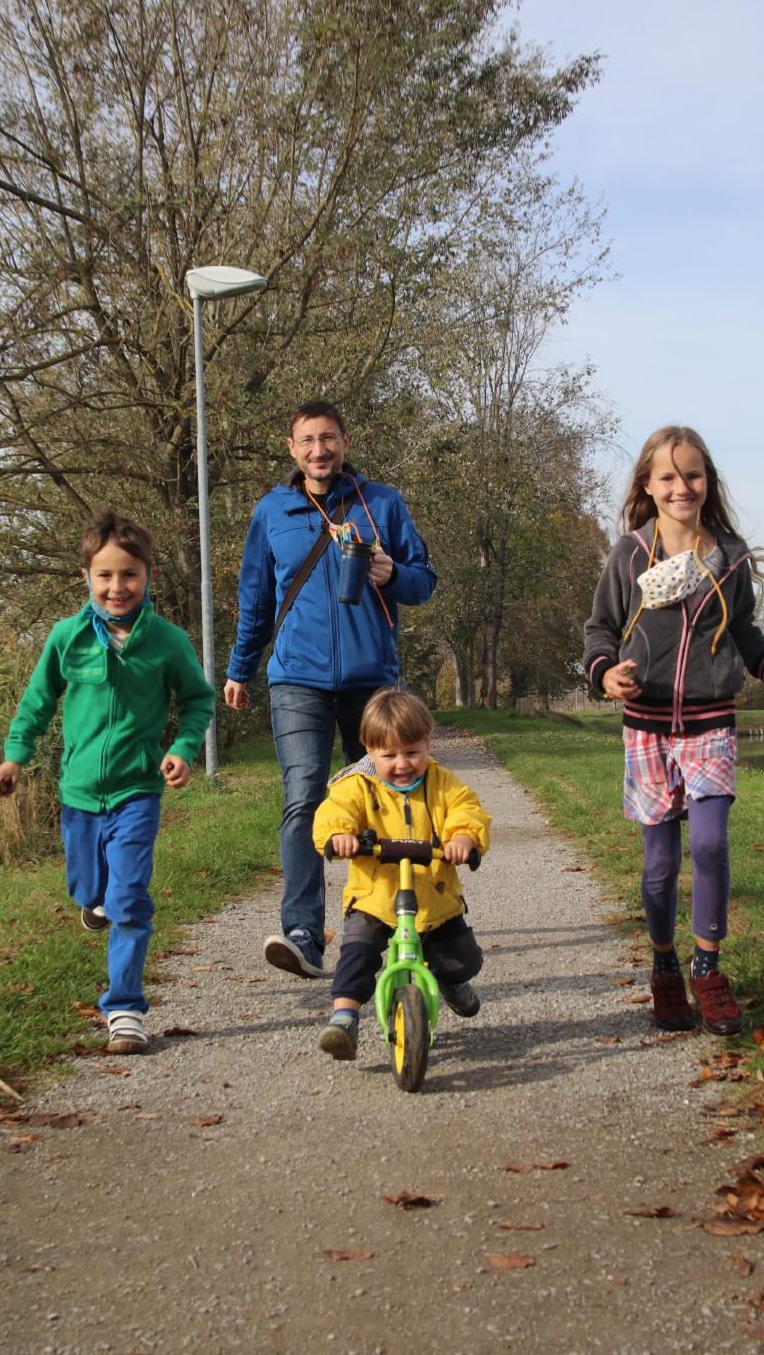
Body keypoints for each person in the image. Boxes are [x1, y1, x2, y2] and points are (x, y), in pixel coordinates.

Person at [584, 426, 764, 1036]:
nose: (682, 487)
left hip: (710, 723)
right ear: (647, 486)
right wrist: (606, 674)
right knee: (659, 864)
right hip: (647, 726)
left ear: (708, 482)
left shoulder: (729, 555)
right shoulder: (630, 553)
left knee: (708, 845)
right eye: (669, 477)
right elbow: (600, 629)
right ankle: (664, 967)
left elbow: (745, 629)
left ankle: (708, 968)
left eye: (693, 475)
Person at [224, 399, 437, 980]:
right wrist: (240, 668)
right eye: (307, 441)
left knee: (389, 800)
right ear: (292, 449)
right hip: (297, 679)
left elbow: (424, 582)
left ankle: (395, 921)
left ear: (345, 442)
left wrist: (393, 574)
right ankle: (303, 932)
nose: (319, 450)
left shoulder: (383, 504)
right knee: (304, 795)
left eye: (328, 439)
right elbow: (255, 599)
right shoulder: (273, 511)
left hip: (373, 682)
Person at [0, 510, 215, 1054]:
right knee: (90, 890)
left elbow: (197, 701)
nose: (117, 586)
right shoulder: (66, 638)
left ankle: (124, 1009)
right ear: (86, 576)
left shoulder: (167, 641)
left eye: (129, 574)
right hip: (79, 795)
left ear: (148, 575)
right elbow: (37, 703)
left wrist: (182, 749)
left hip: (137, 791)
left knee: (129, 898)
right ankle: (93, 901)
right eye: (105, 575)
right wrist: (14, 758)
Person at [311, 688, 490, 1060]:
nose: (402, 764)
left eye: (412, 752)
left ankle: (449, 981)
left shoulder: (442, 782)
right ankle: (344, 1018)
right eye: (389, 755)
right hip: (375, 898)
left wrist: (463, 837)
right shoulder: (357, 785)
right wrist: (339, 835)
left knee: (464, 960)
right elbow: (335, 810)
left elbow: (466, 808)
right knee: (357, 954)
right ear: (369, 750)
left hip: (434, 898)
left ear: (427, 743)